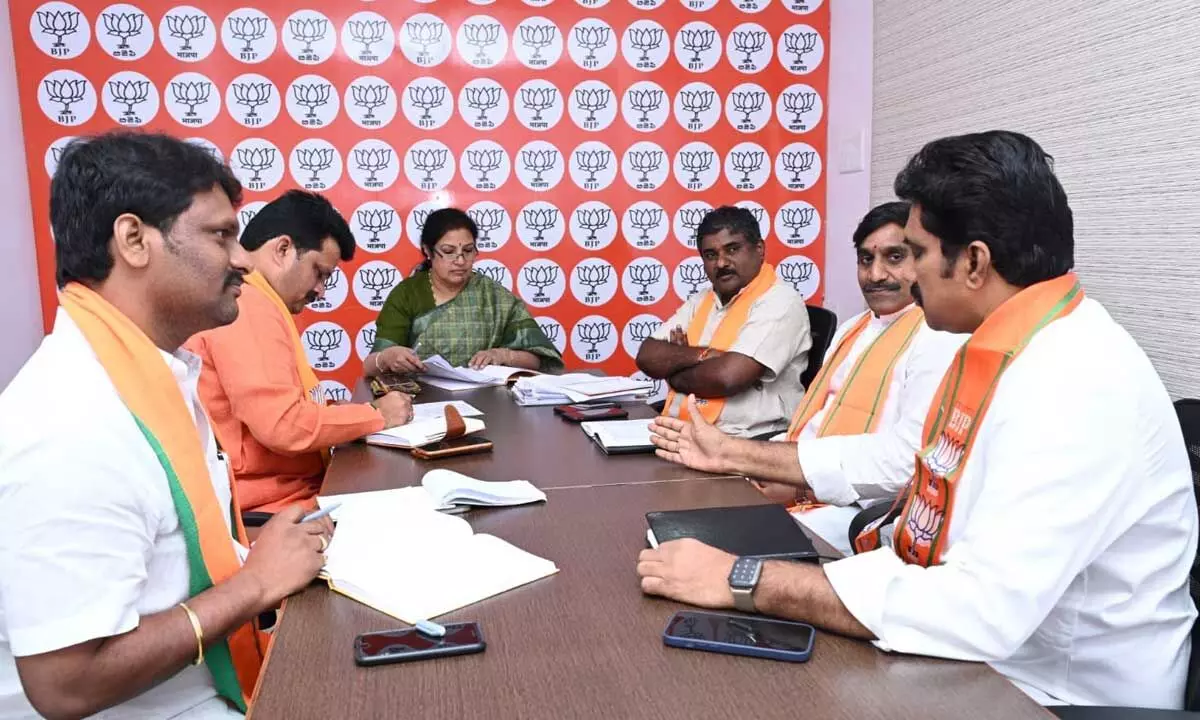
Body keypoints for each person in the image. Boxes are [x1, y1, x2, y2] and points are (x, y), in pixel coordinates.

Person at [637, 131, 1198, 709]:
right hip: (978, 653)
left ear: (974, 262)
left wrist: (744, 579)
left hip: (1051, 691)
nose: (908, 278)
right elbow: (912, 473)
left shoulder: (1076, 380)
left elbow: (980, 610)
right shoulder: (1004, 342)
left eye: (917, 254)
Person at [0, 131, 331, 718]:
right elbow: (65, 686)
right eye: (220, 235)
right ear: (133, 239)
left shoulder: (149, 372)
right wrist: (254, 584)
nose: (240, 259)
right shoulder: (72, 422)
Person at [649, 201, 966, 554]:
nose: (876, 275)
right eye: (866, 260)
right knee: (667, 529)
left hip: (854, 509)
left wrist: (791, 479)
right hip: (793, 475)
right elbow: (813, 424)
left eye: (895, 258)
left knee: (698, 549)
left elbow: (907, 465)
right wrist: (766, 463)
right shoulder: (853, 328)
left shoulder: (937, 337)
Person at [186, 190, 413, 515]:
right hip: (275, 511)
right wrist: (376, 416)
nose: (320, 290)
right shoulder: (247, 304)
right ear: (282, 249)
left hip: (289, 500)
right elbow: (282, 424)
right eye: (319, 273)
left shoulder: (257, 301)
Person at [636, 206, 810, 439]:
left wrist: (675, 373)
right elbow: (647, 355)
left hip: (747, 441)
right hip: (684, 432)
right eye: (711, 255)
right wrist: (703, 356)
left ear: (759, 250)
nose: (721, 263)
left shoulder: (780, 301)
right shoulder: (703, 300)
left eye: (732, 250)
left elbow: (727, 378)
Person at [364, 208, 563, 376]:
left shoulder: (493, 296)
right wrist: (388, 357)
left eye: (468, 251)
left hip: (489, 402)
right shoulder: (407, 294)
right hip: (419, 404)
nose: (460, 261)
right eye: (449, 252)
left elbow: (540, 361)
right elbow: (370, 366)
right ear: (427, 250)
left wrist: (503, 356)